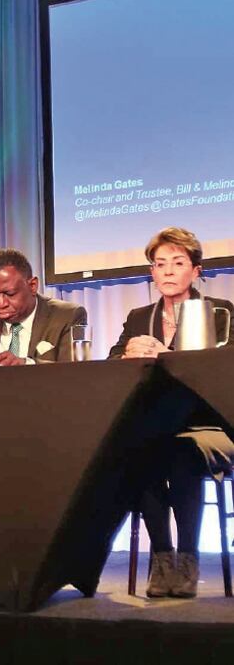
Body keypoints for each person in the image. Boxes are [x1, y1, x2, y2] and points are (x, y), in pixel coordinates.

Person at [109, 226, 234, 598]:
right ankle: (162, 557)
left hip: (209, 425)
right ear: (152, 272)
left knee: (181, 449)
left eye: (177, 263)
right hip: (154, 426)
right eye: (160, 264)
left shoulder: (220, 312)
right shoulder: (138, 317)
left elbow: (226, 370)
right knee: (141, 448)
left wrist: (175, 357)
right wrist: (128, 353)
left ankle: (189, 558)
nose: (167, 271)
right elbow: (112, 362)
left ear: (196, 271)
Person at [0, 249, 87, 364]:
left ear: (32, 286)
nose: (1, 304)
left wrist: (25, 365)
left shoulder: (67, 316)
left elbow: (73, 373)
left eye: (10, 294)